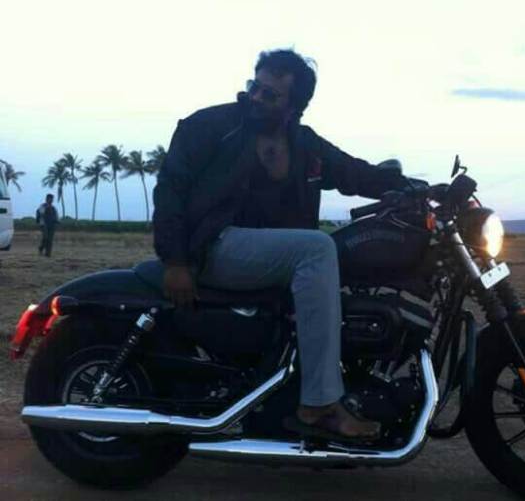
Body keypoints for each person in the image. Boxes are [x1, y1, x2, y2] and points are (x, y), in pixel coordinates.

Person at [153, 49, 407, 442]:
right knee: (316, 249)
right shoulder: (212, 125)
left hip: (259, 257)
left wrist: (414, 188)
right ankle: (320, 405)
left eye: (270, 94)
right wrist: (175, 260)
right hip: (212, 246)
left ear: (294, 106)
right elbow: (170, 188)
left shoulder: (304, 144)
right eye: (255, 87)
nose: (255, 97)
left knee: (337, 258)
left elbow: (353, 173)